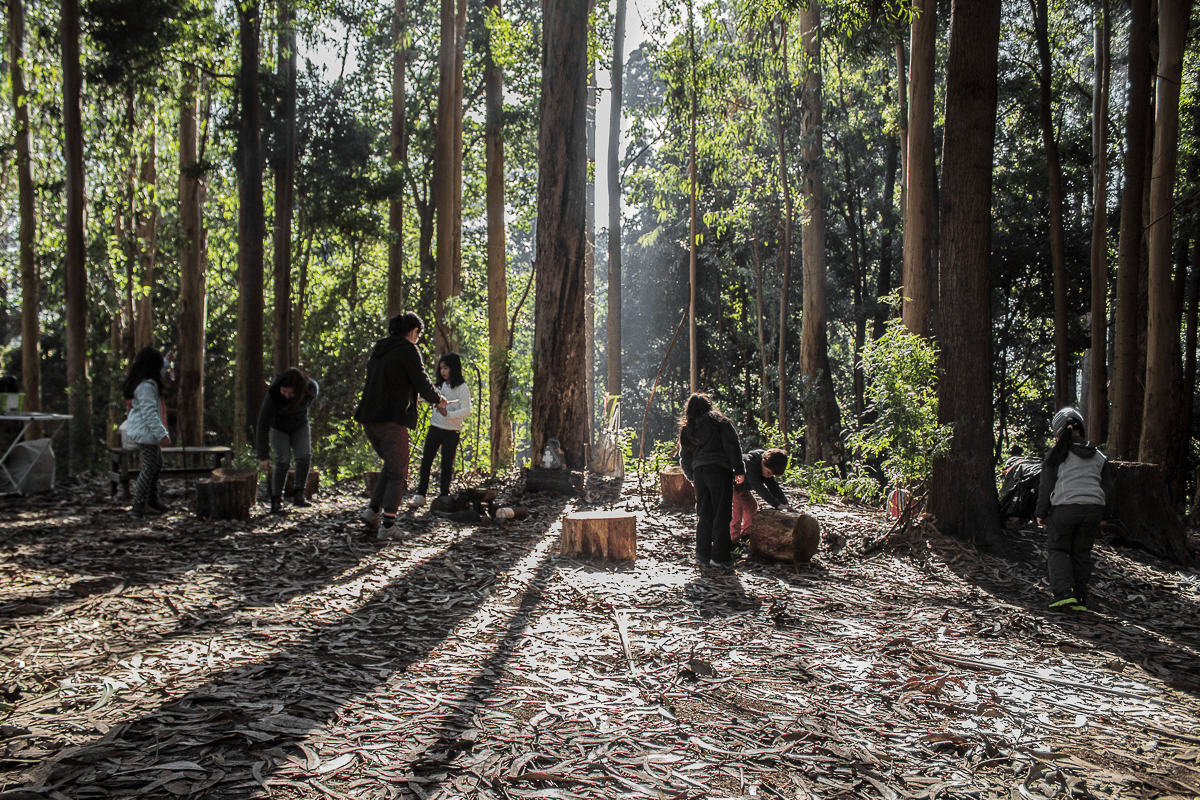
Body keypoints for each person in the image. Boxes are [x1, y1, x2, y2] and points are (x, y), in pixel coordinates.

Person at [354, 313, 447, 536]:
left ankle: (372, 511)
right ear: (414, 331)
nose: (418, 339)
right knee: (399, 473)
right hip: (391, 419)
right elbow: (422, 382)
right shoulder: (408, 349)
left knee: (391, 464)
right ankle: (388, 526)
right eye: (418, 335)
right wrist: (438, 399)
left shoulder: (380, 348)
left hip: (369, 418)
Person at [1035, 407, 1114, 612]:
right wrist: (1106, 515)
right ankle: (1079, 597)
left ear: (1058, 432)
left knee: (1058, 549)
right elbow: (1108, 487)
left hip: (1066, 509)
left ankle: (1064, 594)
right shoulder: (1098, 456)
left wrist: (1041, 514)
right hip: (1093, 510)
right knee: (1081, 552)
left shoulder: (1057, 453)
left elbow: (1047, 486)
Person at [679, 393, 745, 569]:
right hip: (719, 470)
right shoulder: (720, 422)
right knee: (722, 515)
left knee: (704, 514)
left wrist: (690, 475)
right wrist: (739, 469)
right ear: (708, 405)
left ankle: (702, 554)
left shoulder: (688, 427)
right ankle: (720, 557)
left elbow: (685, 455)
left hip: (699, 472)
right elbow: (733, 446)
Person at [410, 352, 471, 508]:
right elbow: (431, 397)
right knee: (426, 460)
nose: (443, 371)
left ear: (454, 368)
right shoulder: (439, 385)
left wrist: (449, 414)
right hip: (435, 428)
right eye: (441, 368)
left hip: (452, 431)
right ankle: (421, 494)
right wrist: (419, 400)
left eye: (446, 368)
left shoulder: (462, 388)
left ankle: (444, 495)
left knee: (446, 464)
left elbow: (467, 411)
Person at [256, 367, 320, 514]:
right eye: (284, 391)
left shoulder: (311, 387)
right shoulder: (273, 393)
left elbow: (307, 404)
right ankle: (276, 500)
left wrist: (298, 413)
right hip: (278, 428)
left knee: (304, 456)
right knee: (283, 461)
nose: (286, 395)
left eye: (290, 393)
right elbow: (262, 424)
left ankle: (299, 495)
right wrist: (263, 456)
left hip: (300, 425)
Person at [122, 347, 171, 516]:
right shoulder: (145, 388)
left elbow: (163, 367)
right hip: (146, 433)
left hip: (147, 433)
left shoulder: (147, 383)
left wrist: (168, 359)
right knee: (149, 467)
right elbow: (149, 413)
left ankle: (152, 500)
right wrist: (161, 434)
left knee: (156, 465)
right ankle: (139, 504)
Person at [731, 448, 791, 545]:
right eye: (768, 473)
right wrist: (776, 504)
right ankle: (733, 541)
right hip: (731, 486)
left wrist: (784, 503)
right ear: (763, 462)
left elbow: (773, 486)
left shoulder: (767, 467)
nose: (768, 476)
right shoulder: (750, 462)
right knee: (736, 513)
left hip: (741, 488)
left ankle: (746, 535)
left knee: (752, 507)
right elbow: (758, 487)